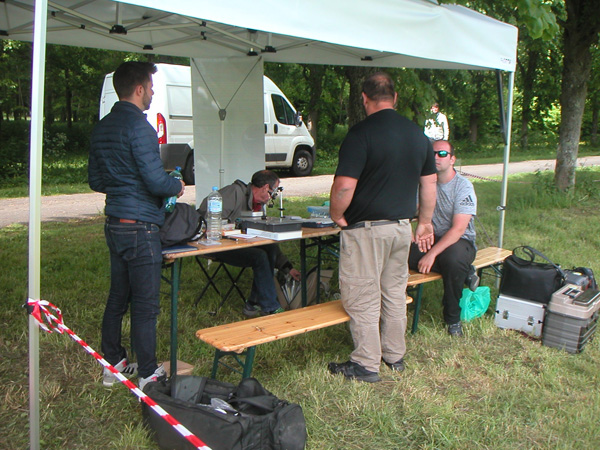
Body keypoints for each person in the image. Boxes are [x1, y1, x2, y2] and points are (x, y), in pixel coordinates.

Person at [328, 72, 437, 383]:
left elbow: (344, 187)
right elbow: (429, 185)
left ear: (364, 99)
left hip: (367, 230)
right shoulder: (418, 135)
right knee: (392, 291)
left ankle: (365, 364)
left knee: (362, 293)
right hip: (402, 228)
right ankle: (394, 355)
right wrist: (424, 222)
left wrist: (337, 215)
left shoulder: (360, 134)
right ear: (395, 97)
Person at [89, 61, 185, 389]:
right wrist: (177, 185)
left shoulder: (102, 127)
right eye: (151, 87)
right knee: (145, 305)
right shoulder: (141, 129)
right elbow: (156, 181)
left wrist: (123, 184)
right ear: (139, 89)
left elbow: (95, 179)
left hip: (115, 223)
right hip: (141, 227)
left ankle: (112, 364)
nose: (154, 92)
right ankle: (147, 373)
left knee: (118, 296)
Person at [198, 170, 301, 317]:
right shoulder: (233, 193)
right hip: (216, 244)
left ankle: (254, 303)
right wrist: (236, 230)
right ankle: (269, 307)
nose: (271, 197)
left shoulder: (257, 205)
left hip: (239, 243)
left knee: (269, 247)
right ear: (265, 187)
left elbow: (266, 240)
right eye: (272, 193)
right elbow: (206, 219)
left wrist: (287, 268)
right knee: (259, 256)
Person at [408, 140, 478, 337]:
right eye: (432, 154)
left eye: (442, 154)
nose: (436, 158)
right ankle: (466, 273)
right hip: (432, 237)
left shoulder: (463, 187)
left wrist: (431, 254)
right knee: (402, 254)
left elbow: (458, 229)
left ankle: (452, 319)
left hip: (460, 241)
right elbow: (412, 212)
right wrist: (411, 230)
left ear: (452, 159)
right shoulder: (423, 183)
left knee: (452, 260)